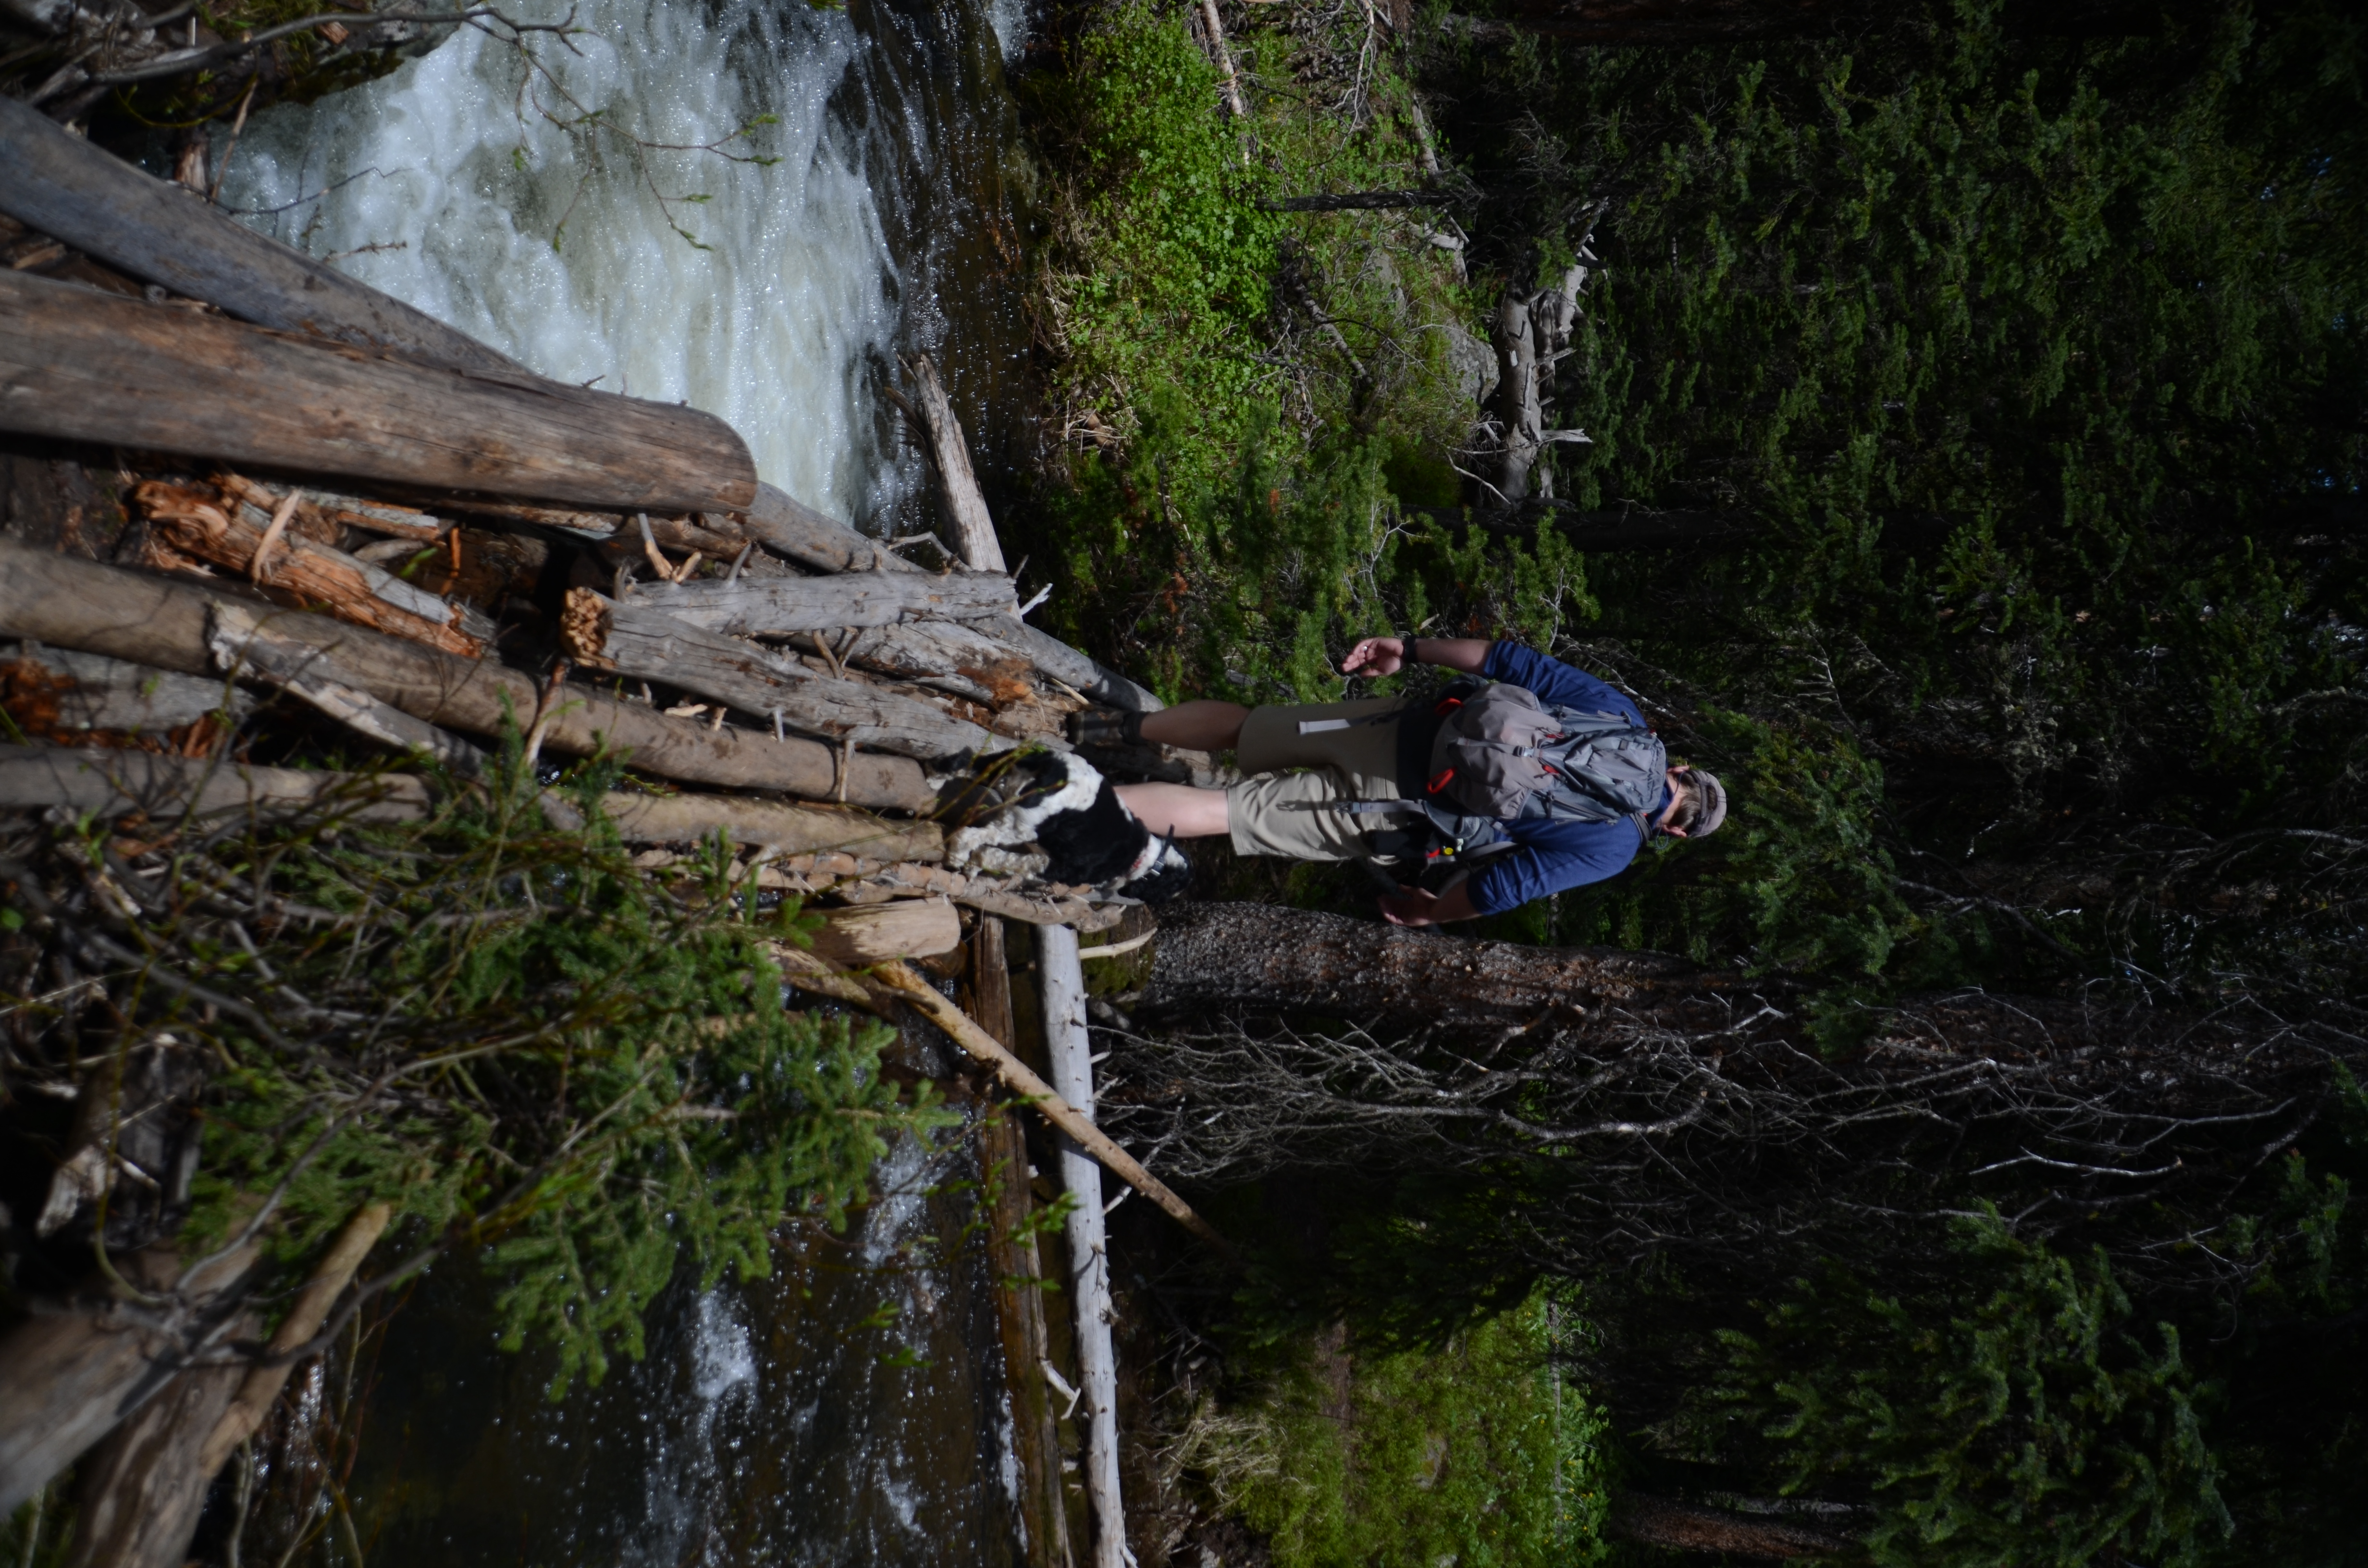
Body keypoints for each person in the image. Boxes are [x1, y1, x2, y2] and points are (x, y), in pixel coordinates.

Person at [1080, 635, 1726, 927]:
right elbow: (1505, 885)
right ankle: (1071, 808)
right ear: (1673, 828)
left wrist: (1408, 649)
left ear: (1676, 770)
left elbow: (1507, 659)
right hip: (1398, 807)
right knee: (1227, 811)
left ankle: (1110, 731)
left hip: (1399, 724)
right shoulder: (1614, 845)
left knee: (1247, 727)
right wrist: (1430, 910)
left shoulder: (1624, 721)